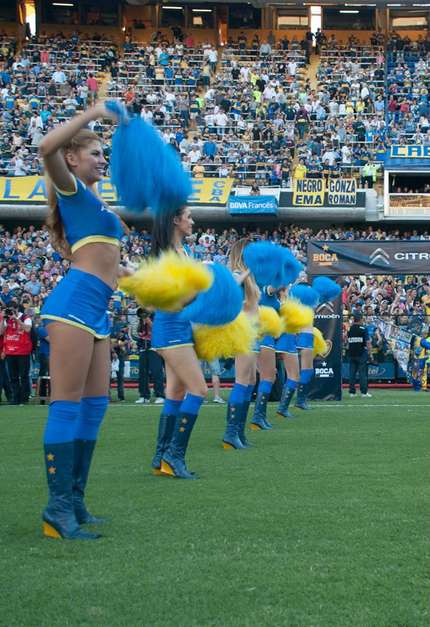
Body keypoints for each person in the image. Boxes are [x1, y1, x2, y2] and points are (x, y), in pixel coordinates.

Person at [38, 102, 126, 540]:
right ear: (73, 159)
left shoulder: (95, 202)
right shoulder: (70, 188)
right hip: (72, 306)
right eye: (95, 153)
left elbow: (115, 267)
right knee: (67, 404)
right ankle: (57, 510)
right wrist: (93, 112)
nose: (102, 159)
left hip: (98, 310)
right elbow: (46, 145)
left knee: (95, 406)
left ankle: (75, 500)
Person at [150, 206, 208, 479]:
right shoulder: (168, 257)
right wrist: (203, 286)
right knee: (198, 390)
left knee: (175, 393)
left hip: (180, 328)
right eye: (189, 217)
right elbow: (169, 300)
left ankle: (161, 456)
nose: (193, 222)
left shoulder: (183, 253)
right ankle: (174, 455)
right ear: (176, 220)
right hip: (171, 328)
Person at [222, 239, 260, 449]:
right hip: (243, 332)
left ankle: (239, 432)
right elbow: (230, 287)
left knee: (251, 380)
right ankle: (231, 433)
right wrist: (245, 273)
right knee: (242, 380)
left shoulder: (249, 276)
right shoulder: (238, 272)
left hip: (253, 332)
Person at [250, 285, 280, 430]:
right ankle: (257, 416)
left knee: (269, 377)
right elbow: (274, 287)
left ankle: (260, 415)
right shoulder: (267, 286)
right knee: (267, 377)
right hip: (263, 336)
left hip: (268, 337)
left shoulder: (274, 296)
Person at [1, 305, 33, 405]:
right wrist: (3, 319)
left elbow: (27, 329)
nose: (11, 312)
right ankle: (15, 398)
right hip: (10, 351)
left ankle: (24, 398)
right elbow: (1, 332)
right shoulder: (7, 319)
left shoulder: (25, 317)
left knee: (23, 376)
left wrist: (16, 319)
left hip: (23, 351)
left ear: (17, 309)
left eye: (12, 310)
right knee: (13, 377)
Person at [135, 308, 165, 404]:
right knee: (142, 373)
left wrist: (148, 320)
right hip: (143, 348)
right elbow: (139, 333)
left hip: (155, 347)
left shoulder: (157, 315)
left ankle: (160, 395)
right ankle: (144, 396)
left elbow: (157, 330)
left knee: (157, 372)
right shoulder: (141, 319)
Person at [347, 313, 373, 397]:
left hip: (351, 353)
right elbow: (368, 342)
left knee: (352, 374)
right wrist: (370, 353)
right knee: (362, 374)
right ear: (361, 319)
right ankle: (364, 392)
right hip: (361, 354)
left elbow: (346, 340)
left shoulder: (350, 329)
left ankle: (352, 392)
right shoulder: (363, 329)